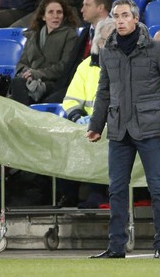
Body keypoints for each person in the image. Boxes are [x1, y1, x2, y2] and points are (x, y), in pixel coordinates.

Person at [87, 0, 160, 259]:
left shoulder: (157, 49)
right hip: (119, 129)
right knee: (116, 189)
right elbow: (104, 91)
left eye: (124, 16)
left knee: (157, 187)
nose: (119, 21)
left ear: (135, 18)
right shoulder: (107, 51)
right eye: (116, 16)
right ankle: (116, 247)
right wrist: (96, 125)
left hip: (150, 127)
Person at [61, 18, 115, 208]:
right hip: (89, 126)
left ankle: (99, 193)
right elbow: (71, 100)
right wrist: (77, 117)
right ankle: (69, 196)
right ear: (99, 43)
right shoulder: (85, 67)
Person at [43, 0, 113, 104]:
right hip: (75, 85)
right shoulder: (85, 33)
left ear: (100, 8)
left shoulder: (114, 32)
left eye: (87, 5)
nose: (82, 10)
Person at [9, 0, 79, 106]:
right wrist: (27, 73)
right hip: (30, 80)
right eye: (51, 12)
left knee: (19, 86)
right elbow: (21, 63)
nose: (55, 16)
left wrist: (37, 74)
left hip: (52, 83)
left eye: (59, 12)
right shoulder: (33, 35)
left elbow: (64, 66)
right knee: (17, 83)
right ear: (43, 16)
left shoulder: (70, 35)